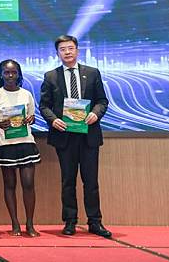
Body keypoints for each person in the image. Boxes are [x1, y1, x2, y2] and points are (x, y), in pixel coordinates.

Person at [39, 35, 111, 237]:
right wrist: (53, 120)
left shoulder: (93, 73)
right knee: (68, 180)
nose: (67, 52)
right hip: (65, 136)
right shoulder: (51, 76)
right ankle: (70, 221)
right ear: (58, 53)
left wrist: (95, 113)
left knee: (91, 181)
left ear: (77, 50)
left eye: (70, 48)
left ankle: (95, 222)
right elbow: (44, 105)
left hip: (88, 135)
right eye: (63, 49)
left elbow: (102, 100)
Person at [0, 59, 41, 237]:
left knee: (28, 184)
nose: (10, 76)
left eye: (13, 72)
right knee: (10, 185)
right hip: (4, 146)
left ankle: (30, 224)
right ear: (1, 75)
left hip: (25, 143)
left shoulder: (27, 95)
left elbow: (32, 117)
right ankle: (15, 224)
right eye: (6, 73)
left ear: (19, 74)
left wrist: (31, 119)